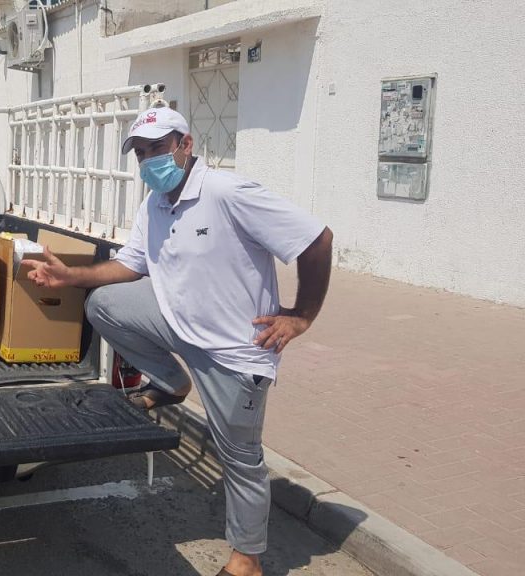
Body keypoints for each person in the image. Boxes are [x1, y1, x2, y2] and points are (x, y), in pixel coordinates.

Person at [21, 105, 333, 576]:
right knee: (103, 304)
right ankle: (171, 382)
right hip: (179, 324)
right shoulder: (154, 203)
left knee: (241, 458)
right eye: (141, 153)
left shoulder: (227, 192)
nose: (149, 160)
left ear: (185, 145)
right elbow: (128, 266)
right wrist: (71, 277)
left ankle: (246, 559)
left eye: (157, 148)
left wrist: (302, 316)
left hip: (232, 350)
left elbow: (317, 240)